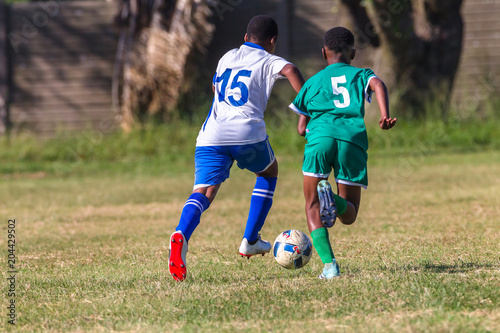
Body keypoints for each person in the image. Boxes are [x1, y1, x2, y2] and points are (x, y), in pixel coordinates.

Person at [168, 15, 305, 281]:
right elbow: (290, 71)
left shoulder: (227, 56)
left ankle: (181, 234)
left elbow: (215, 85)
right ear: (272, 41)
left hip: (211, 134)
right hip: (247, 133)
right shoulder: (269, 59)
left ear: (245, 38)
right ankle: (250, 239)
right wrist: (305, 109)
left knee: (204, 191)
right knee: (268, 173)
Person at [289, 27, 397, 280]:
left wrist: (313, 132)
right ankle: (335, 201)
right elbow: (378, 84)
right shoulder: (361, 74)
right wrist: (383, 114)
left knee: (311, 204)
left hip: (320, 140)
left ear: (323, 52)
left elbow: (301, 127)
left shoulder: (313, 82)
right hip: (351, 141)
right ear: (353, 53)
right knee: (349, 214)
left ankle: (329, 266)